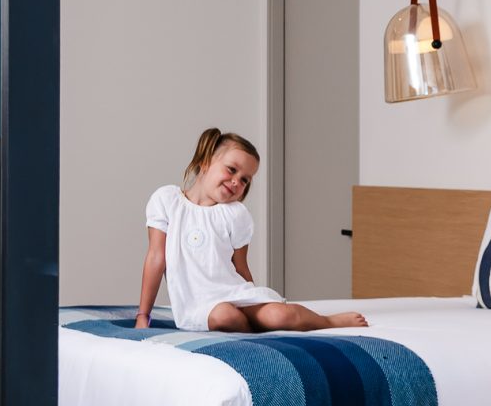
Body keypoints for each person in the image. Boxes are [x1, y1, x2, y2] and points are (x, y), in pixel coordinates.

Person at [134, 128, 367, 333]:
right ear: (205, 162)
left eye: (245, 179)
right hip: (199, 304)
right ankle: (254, 329)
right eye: (231, 170)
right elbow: (156, 257)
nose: (237, 181)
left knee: (281, 315)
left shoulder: (235, 214)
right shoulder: (167, 201)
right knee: (225, 315)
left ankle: (327, 321)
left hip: (233, 293)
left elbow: (240, 266)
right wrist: (143, 315)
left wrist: (254, 300)